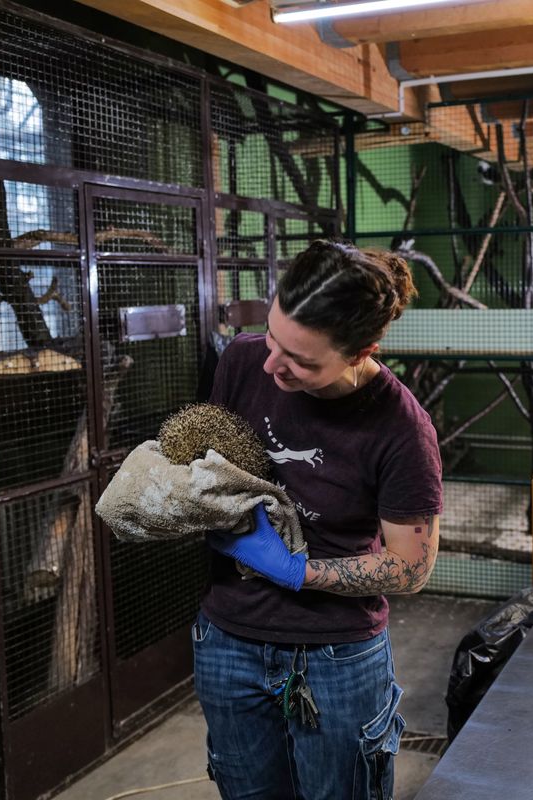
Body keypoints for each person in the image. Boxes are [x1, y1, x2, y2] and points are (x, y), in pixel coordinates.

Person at [194, 239, 443, 800]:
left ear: (361, 351)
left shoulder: (402, 431)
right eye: (273, 336)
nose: (270, 364)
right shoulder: (241, 359)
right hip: (228, 640)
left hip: (337, 657)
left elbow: (410, 568)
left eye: (300, 361)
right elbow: (212, 465)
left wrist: (297, 572)